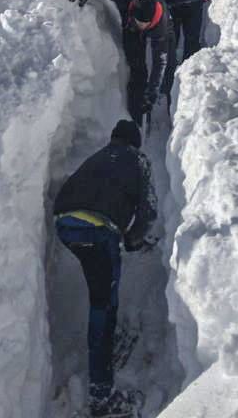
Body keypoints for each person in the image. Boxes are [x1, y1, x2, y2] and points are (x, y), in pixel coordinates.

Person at [54, 119, 157, 418]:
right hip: (98, 232)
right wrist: (133, 240)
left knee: (98, 285)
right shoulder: (138, 160)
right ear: (135, 142)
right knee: (103, 307)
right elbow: (148, 210)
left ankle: (100, 355)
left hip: (66, 226)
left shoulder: (98, 155)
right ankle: (101, 396)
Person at [69, 0, 176, 126]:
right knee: (137, 68)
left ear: (150, 22)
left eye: (141, 23)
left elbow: (160, 62)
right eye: (137, 20)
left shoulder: (160, 28)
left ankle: (164, 96)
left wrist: (151, 94)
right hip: (130, 28)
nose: (138, 24)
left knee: (170, 61)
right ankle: (135, 118)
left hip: (161, 26)